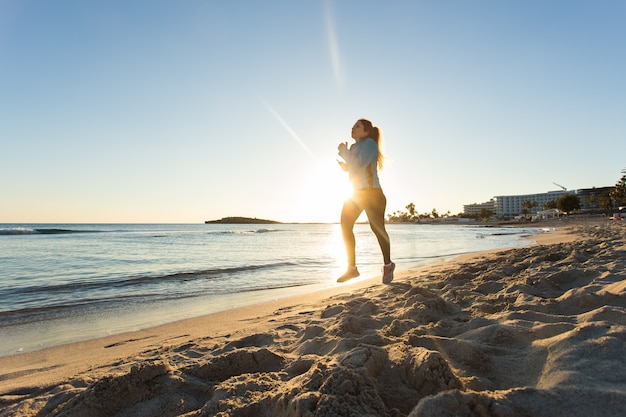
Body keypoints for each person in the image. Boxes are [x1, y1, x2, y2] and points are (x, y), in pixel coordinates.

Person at [336, 118, 395, 284]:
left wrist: (343, 151)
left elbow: (360, 164)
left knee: (377, 229)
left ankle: (388, 265)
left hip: (372, 193)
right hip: (356, 193)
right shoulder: (355, 147)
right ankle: (352, 269)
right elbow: (355, 167)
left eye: (357, 126)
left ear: (366, 131)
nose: (353, 128)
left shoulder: (369, 143)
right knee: (345, 225)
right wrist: (345, 166)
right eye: (353, 125)